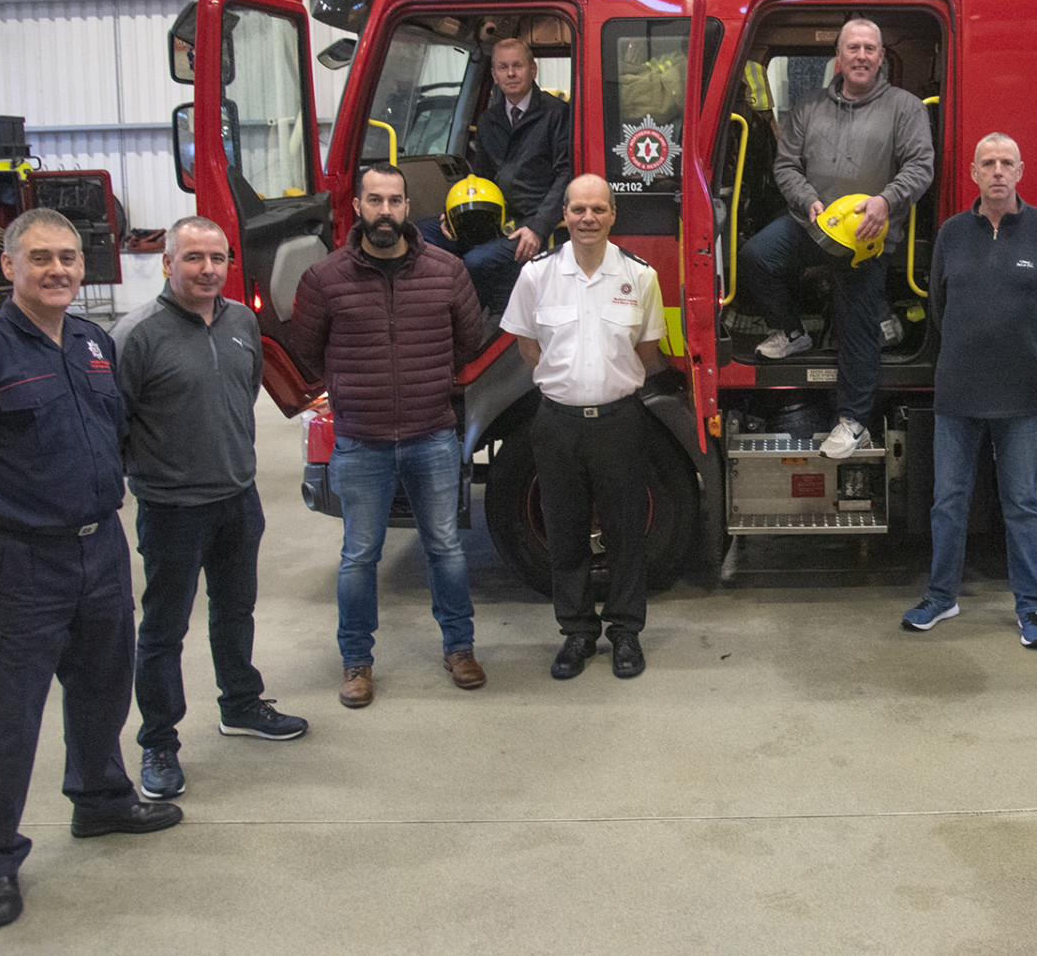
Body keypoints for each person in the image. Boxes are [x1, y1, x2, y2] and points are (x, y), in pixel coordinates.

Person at [0, 208, 181, 930]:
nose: (58, 269)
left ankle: (99, 799)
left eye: (67, 256)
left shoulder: (93, 343)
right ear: (8, 267)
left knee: (101, 689)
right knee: (3, 718)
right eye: (41, 258)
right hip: (16, 563)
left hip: (99, 550)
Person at [110, 216, 307, 804]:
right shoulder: (135, 335)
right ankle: (159, 740)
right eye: (193, 258)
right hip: (172, 508)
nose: (207, 270)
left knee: (235, 610)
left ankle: (241, 704)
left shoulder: (242, 322)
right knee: (165, 629)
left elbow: (241, 395)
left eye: (217, 258)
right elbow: (114, 425)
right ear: (167, 263)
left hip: (236, 499)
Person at [291, 164, 486, 709]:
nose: (385, 211)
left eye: (395, 201)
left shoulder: (447, 271)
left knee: (445, 547)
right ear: (356, 206)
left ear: (407, 207)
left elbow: (470, 341)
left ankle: (460, 648)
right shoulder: (324, 279)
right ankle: (356, 663)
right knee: (359, 555)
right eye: (374, 200)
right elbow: (307, 352)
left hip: (432, 437)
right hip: (361, 441)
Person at [900, 133, 1037, 648]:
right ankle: (940, 597)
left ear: (1020, 171)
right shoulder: (953, 234)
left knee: (1022, 504)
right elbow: (939, 309)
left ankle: (1031, 609)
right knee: (947, 501)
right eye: (988, 163)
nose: (997, 171)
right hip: (957, 395)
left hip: (1023, 397)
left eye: (1006, 163)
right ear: (974, 173)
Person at [739, 17, 935, 459]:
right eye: (854, 48)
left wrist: (886, 201)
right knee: (755, 257)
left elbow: (920, 168)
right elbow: (786, 166)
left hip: (868, 233)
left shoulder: (906, 108)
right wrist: (808, 201)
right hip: (814, 221)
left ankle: (853, 421)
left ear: (881, 58)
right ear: (839, 58)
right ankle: (791, 332)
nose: (862, 56)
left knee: (856, 327)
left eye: (870, 48)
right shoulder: (808, 108)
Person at [504, 173, 667, 679]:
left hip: (619, 420)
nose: (588, 218)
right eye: (578, 209)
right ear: (565, 215)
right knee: (565, 532)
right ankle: (576, 633)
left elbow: (647, 350)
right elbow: (528, 347)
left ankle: (625, 633)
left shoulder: (640, 276)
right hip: (557, 423)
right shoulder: (537, 275)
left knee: (625, 534)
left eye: (598, 209)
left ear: (613, 215)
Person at [419, 36, 573, 315]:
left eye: (518, 66)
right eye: (503, 67)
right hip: (496, 217)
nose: (511, 73)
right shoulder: (489, 120)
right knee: (422, 232)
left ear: (533, 70)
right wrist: (454, 212)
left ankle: (471, 325)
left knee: (477, 261)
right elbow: (482, 177)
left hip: (530, 222)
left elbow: (566, 175)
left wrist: (539, 228)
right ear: (494, 74)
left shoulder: (557, 114)